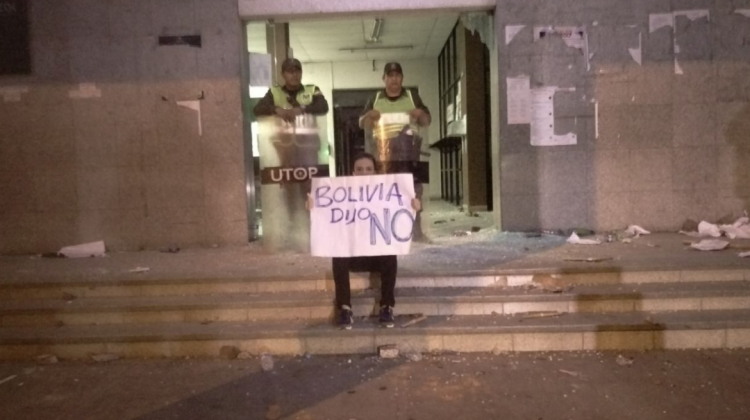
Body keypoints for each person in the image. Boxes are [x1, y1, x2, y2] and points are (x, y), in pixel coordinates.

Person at [307, 152, 421, 329]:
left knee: (390, 255)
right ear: (353, 173)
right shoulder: (342, 192)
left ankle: (387, 306)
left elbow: (399, 211)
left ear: (375, 172)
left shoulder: (384, 192)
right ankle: (344, 308)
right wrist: (315, 207)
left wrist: (412, 206)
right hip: (354, 256)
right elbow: (327, 216)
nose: (364, 172)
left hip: (376, 256)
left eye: (368, 169)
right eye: (359, 169)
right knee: (338, 255)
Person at [359, 62, 431, 240]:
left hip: (410, 151)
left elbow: (427, 120)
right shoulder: (374, 99)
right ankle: (387, 232)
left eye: (397, 75)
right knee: (385, 192)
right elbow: (362, 123)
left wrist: (419, 114)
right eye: (390, 76)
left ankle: (416, 232)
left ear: (402, 78)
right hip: (383, 152)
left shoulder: (413, 96)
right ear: (384, 78)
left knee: (413, 191)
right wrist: (369, 116)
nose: (394, 79)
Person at [253, 57, 329, 119]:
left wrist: (302, 109)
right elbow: (258, 109)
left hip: (308, 136)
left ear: (301, 73)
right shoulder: (274, 92)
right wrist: (276, 110)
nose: (294, 75)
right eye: (290, 71)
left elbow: (323, 107)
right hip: (283, 136)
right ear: (283, 75)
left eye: (297, 71)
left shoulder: (312, 90)